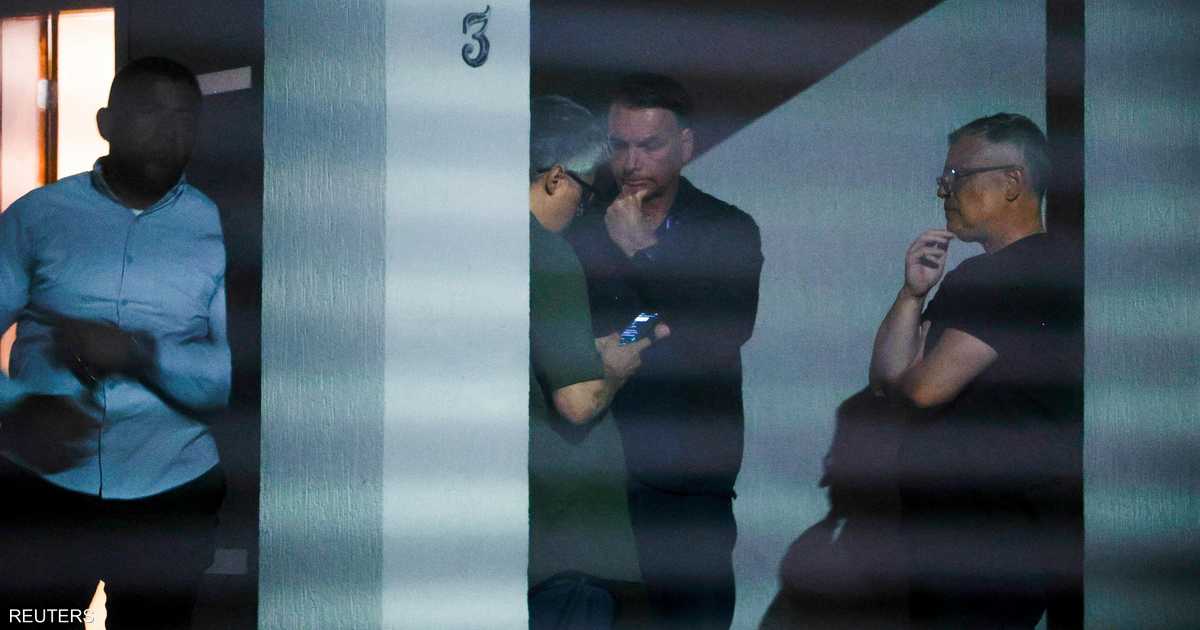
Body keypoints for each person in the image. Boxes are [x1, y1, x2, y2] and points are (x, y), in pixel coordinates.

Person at [0, 57, 230, 629]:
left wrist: (139, 354)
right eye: (150, 112)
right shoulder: (37, 217)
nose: (169, 131)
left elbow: (228, 376)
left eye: (184, 118)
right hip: (43, 489)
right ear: (105, 123)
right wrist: (15, 410)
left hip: (172, 491)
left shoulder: (220, 231)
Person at [869, 113, 1083, 628]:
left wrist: (909, 382)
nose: (944, 190)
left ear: (1012, 181)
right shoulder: (988, 274)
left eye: (957, 175)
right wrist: (912, 293)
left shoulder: (1020, 272)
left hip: (988, 544)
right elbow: (885, 378)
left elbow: (922, 389)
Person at [566, 73, 763, 630]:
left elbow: (722, 332)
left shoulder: (726, 229)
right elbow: (600, 332)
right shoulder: (583, 226)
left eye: (649, 145)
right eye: (619, 145)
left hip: (688, 481)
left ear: (685, 146)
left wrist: (641, 252)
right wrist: (648, 325)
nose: (631, 162)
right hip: (600, 470)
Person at [528, 95, 666, 629]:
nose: (582, 210)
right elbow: (579, 401)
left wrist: (594, 354)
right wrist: (615, 367)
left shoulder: (488, 248)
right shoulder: (548, 253)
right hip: (570, 544)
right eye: (584, 195)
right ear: (555, 178)